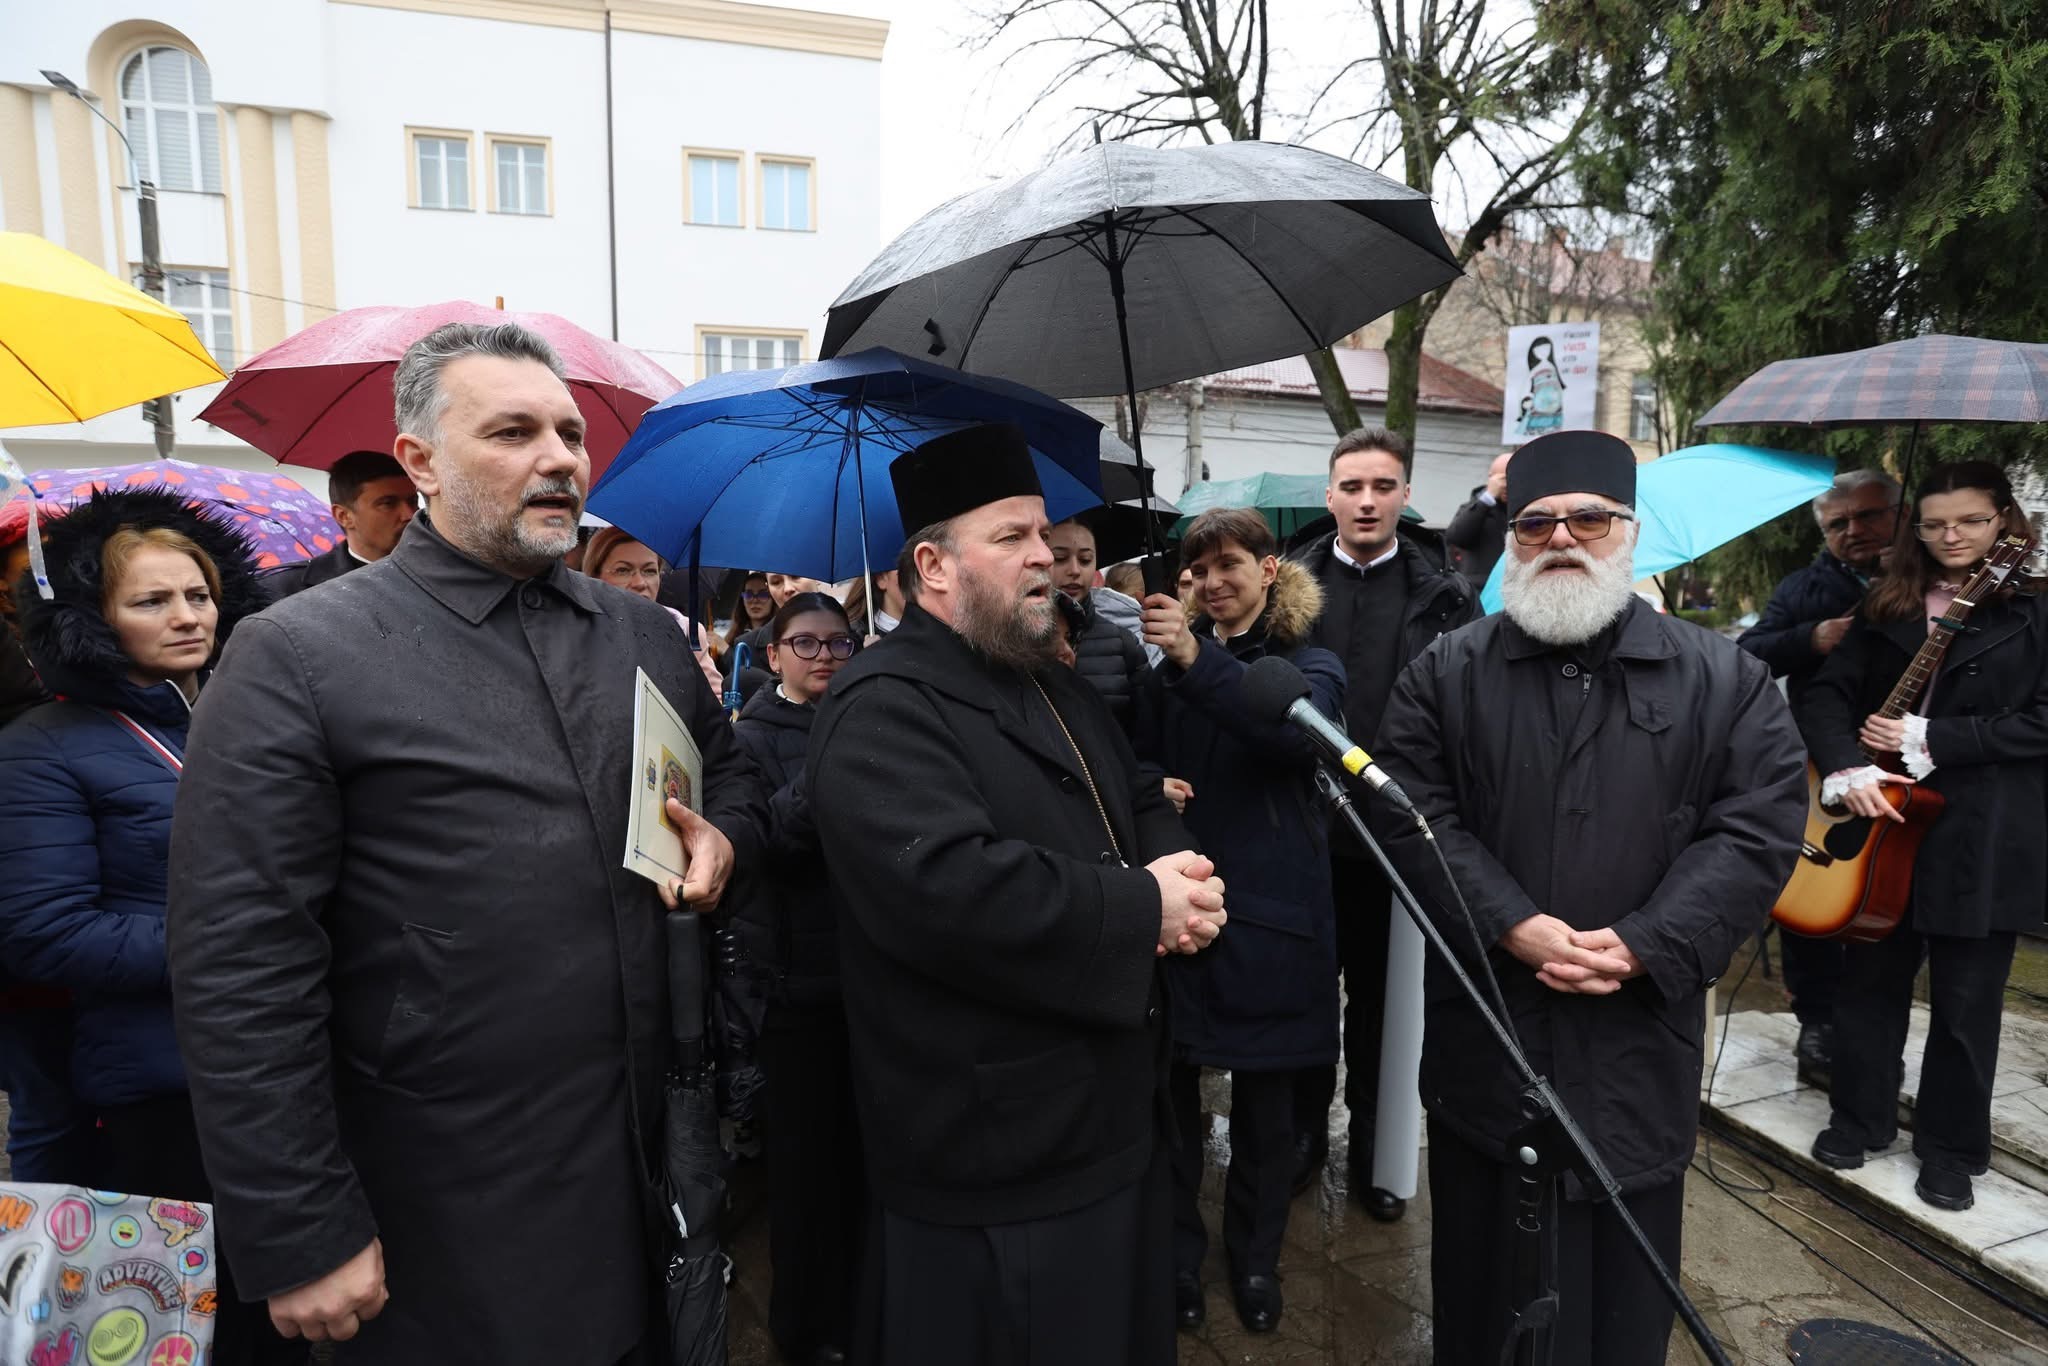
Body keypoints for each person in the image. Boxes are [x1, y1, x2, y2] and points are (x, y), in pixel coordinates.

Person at [163, 321, 767, 1362]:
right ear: (419, 462)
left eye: (570, 434)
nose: (559, 458)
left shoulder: (638, 634)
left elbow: (737, 776)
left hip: (646, 1162)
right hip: (438, 1199)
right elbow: (239, 964)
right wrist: (301, 1227)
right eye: (512, 431)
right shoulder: (295, 652)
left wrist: (728, 841)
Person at [1373, 429, 1807, 1364]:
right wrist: (1513, 925)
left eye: (1588, 519)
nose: (1561, 537)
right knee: (1483, 1304)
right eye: (1534, 523)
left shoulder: (1729, 680)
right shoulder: (1444, 673)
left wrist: (1651, 940)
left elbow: (1758, 829)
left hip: (1634, 1050)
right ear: (1512, 538)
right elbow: (1408, 818)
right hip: (1490, 1043)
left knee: (1616, 1313)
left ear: (1630, 532)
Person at [805, 421, 1227, 1366]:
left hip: (1109, 1122)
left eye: (1044, 533)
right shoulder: (882, 705)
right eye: (1013, 538)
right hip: (995, 1153)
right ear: (934, 565)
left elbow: (1133, 790)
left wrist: (1183, 874)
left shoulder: (1053, 682)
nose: (1046, 556)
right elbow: (952, 889)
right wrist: (1142, 911)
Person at [0, 487, 293, 1361]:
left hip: (282, 1063)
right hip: (163, 1085)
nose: (185, 617)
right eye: (151, 601)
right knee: (197, 1315)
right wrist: (238, 950)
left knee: (280, 1303)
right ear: (93, 619)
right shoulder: (40, 747)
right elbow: (45, 932)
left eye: (198, 595)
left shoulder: (246, 723)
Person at [1802, 460, 2044, 1213]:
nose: (1952, 537)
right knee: (1870, 980)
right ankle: (1860, 1116)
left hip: (1985, 828)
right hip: (1885, 818)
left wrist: (1939, 734)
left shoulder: (2038, 610)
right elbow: (1825, 696)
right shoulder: (1890, 602)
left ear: (2004, 519)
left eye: (1970, 521)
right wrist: (1844, 765)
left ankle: (1949, 1148)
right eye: (1936, 524)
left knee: (1967, 1002)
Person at [1135, 508, 1344, 1337]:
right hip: (1188, 909)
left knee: (1268, 1118)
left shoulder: (1314, 662)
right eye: (1198, 572)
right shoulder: (1165, 673)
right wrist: (1153, 786)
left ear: (1268, 568)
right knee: (1175, 1109)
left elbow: (1300, 743)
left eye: (1229, 565)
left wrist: (1191, 660)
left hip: (1277, 919)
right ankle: (1181, 1261)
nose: (1213, 584)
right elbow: (1136, 756)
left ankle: (1257, 1261)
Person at [1287, 427, 1478, 1219]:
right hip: (1296, 830)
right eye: (1352, 486)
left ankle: (1374, 1147)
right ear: (1330, 494)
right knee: (1300, 995)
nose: (1367, 501)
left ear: (1405, 494)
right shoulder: (1286, 583)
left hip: (1391, 836)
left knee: (1380, 1003)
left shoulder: (1447, 593)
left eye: (1383, 486)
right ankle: (1298, 1140)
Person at [730, 591, 864, 1366]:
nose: (821, 657)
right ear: (773, 654)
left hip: (877, 974)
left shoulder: (871, 715)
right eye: (805, 644)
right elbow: (769, 842)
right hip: (799, 982)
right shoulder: (750, 736)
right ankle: (804, 1324)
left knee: (868, 1159)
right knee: (806, 1170)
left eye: (836, 645)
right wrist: (825, 770)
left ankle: (866, 1305)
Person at [1738, 468, 1902, 1075]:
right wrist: (1813, 637)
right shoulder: (1806, 587)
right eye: (1839, 523)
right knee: (1812, 897)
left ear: (1900, 514)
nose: (1854, 530)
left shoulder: (1931, 581)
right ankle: (1817, 1024)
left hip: (1910, 763)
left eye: (1869, 515)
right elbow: (1750, 651)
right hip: (1818, 766)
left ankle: (1874, 1029)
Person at [582, 524, 722, 691]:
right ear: (595, 576)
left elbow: (714, 704)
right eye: (623, 570)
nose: (640, 583)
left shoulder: (685, 630)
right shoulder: (575, 630)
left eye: (649, 571)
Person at [262, 450, 418, 598]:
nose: (410, 514)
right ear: (343, 516)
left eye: (413, 501)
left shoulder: (437, 572)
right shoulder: (286, 590)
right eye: (388, 504)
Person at [1050, 515, 1150, 730]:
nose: (1075, 570)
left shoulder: (1123, 643)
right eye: (1059, 558)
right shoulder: (1010, 642)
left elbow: (1148, 736)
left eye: (1085, 560)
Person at [1443, 451, 1514, 587]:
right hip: (1479, 589)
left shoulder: (1525, 510)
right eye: (1503, 479)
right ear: (1490, 478)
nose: (1507, 485)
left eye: (1513, 478)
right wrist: (1487, 498)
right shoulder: (1475, 508)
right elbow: (1456, 537)